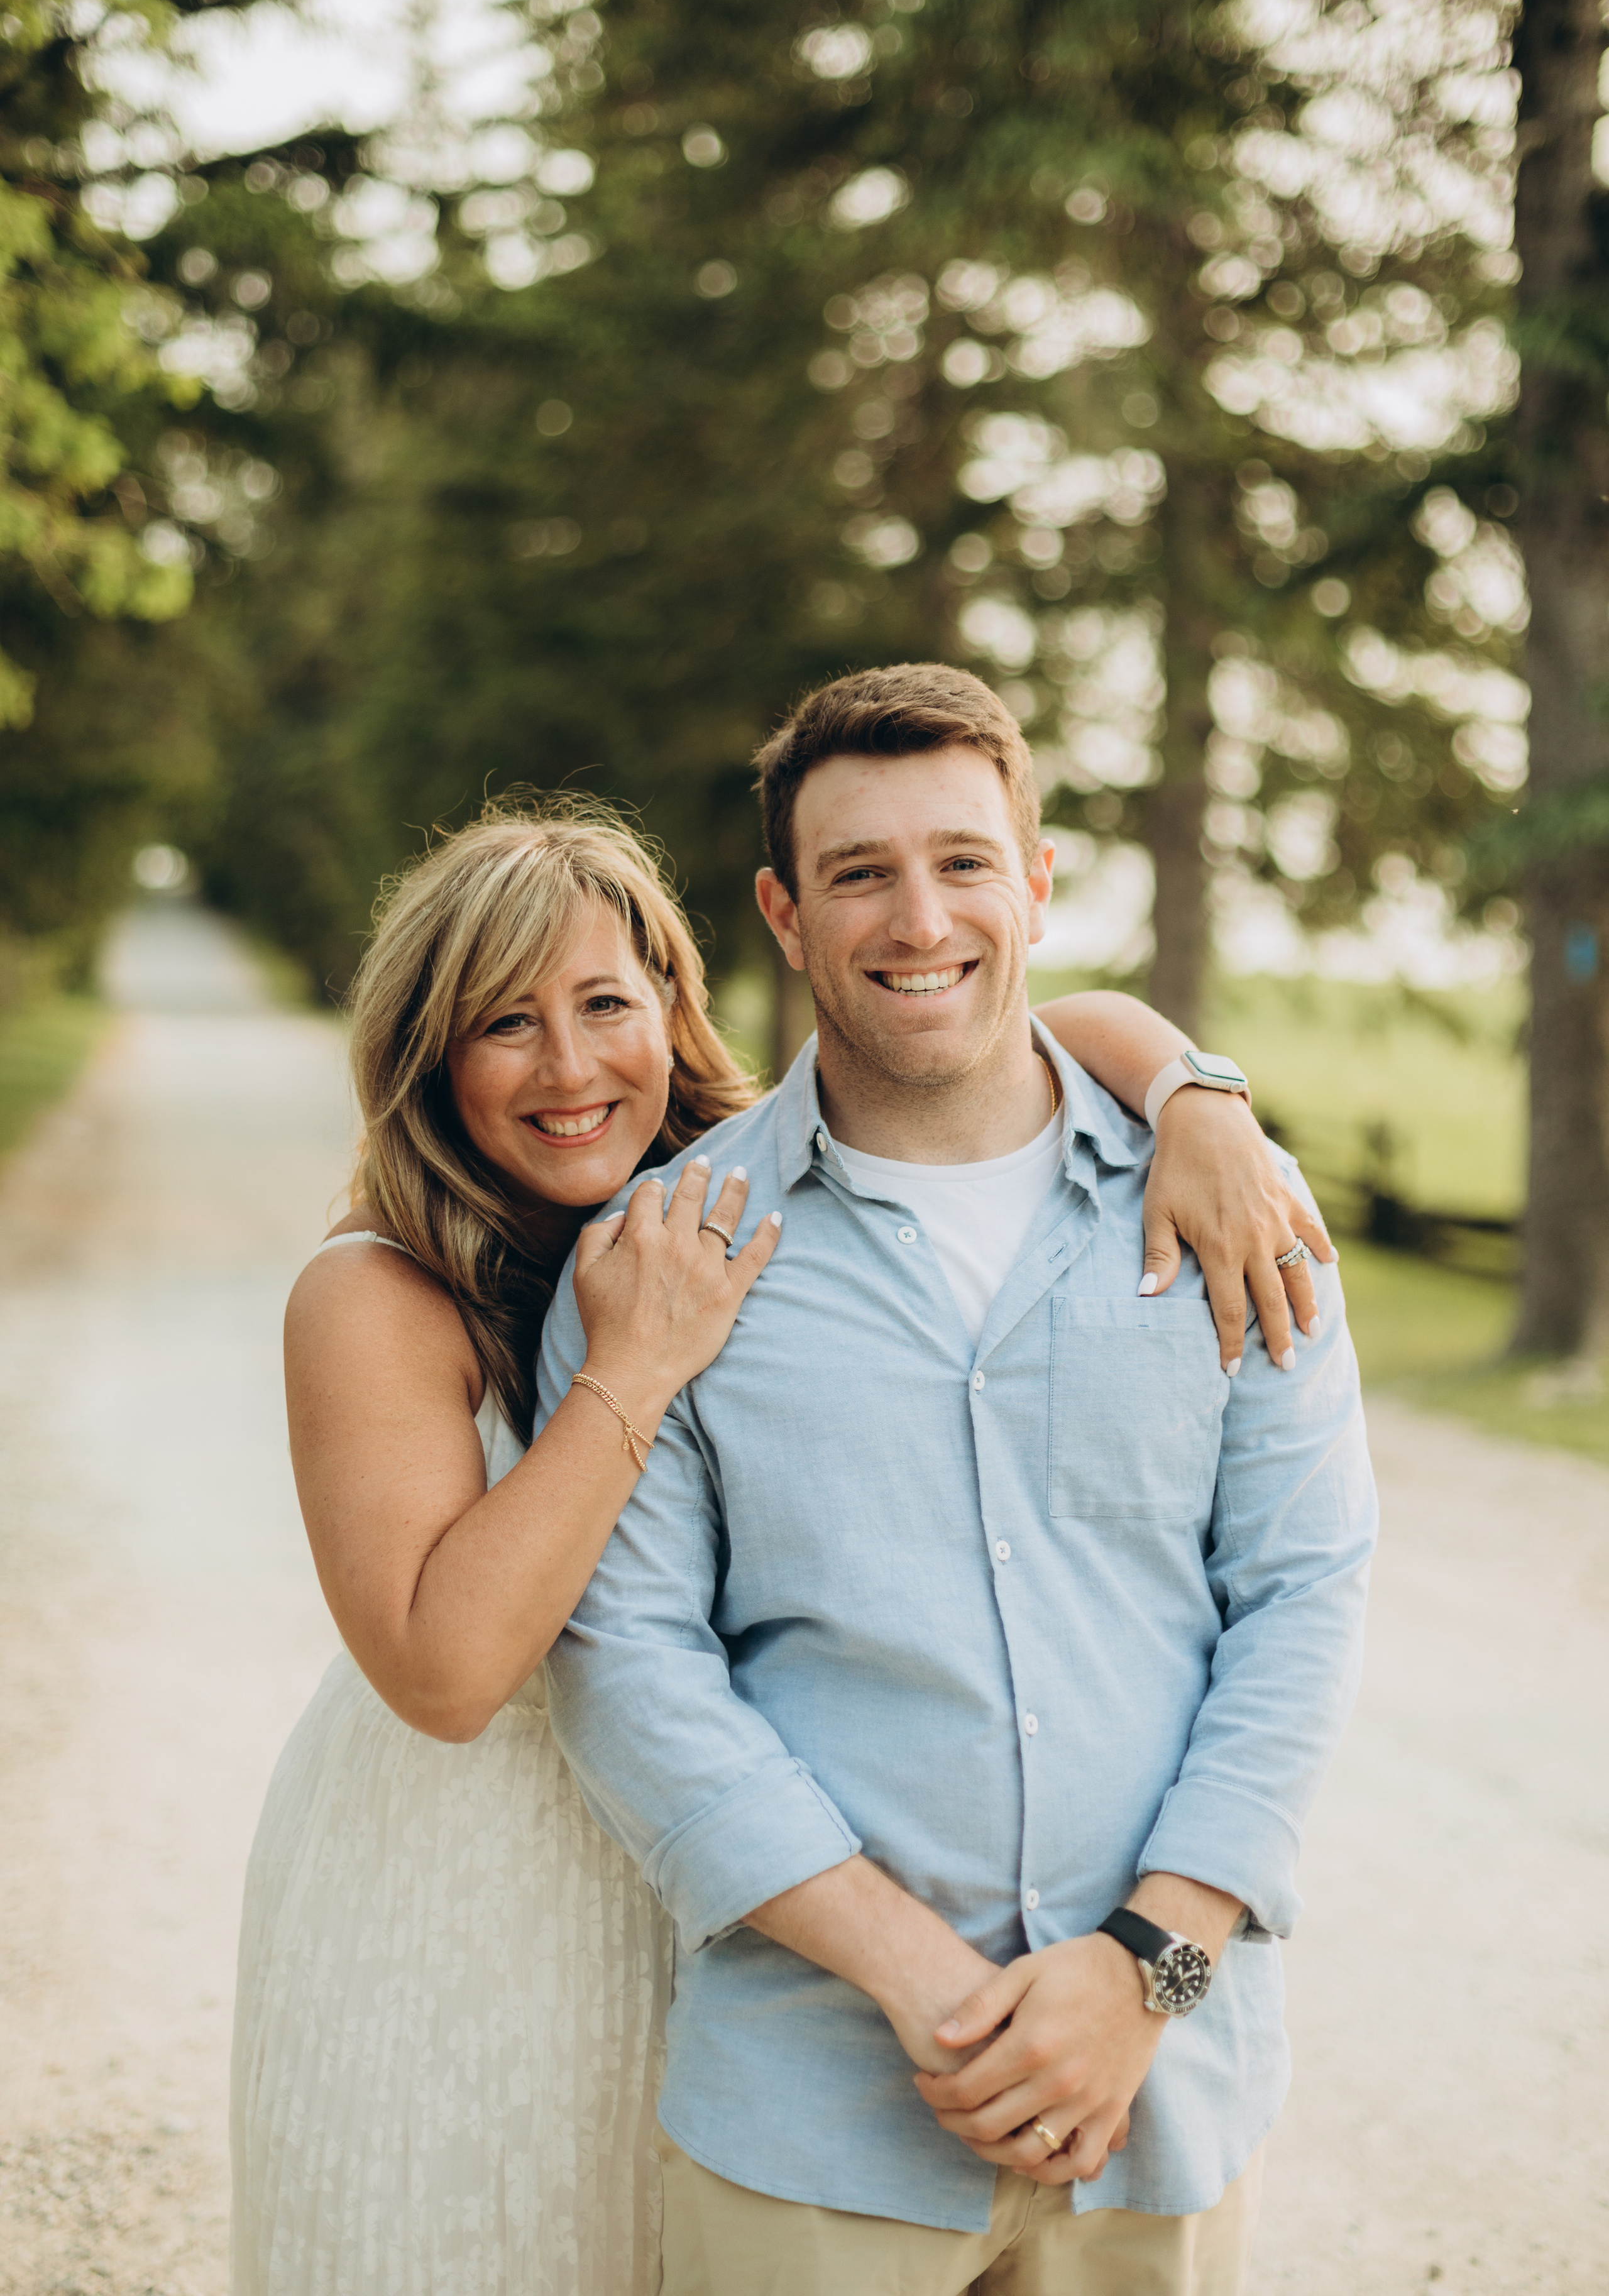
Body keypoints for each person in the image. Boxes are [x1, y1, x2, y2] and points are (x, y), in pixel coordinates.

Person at [232, 791, 1332, 2296]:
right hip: (469, 1871)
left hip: (725, 1888)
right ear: (428, 1056)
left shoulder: (720, 1181)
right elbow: (446, 1675)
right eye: (503, 1024)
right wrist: (626, 1374)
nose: (568, 1067)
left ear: (673, 1010)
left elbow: (1022, 1008)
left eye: (604, 1005)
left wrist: (1197, 1092)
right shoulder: (373, 1294)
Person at [542, 669, 1376, 2296]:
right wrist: (925, 1985)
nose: (919, 917)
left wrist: (1151, 1967)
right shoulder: (666, 1253)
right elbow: (629, 1661)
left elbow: (1304, 1591)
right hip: (814, 2114)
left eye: (963, 862)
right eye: (860, 873)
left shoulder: (1231, 1203)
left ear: (1040, 883)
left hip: (1168, 2105)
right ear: (784, 914)